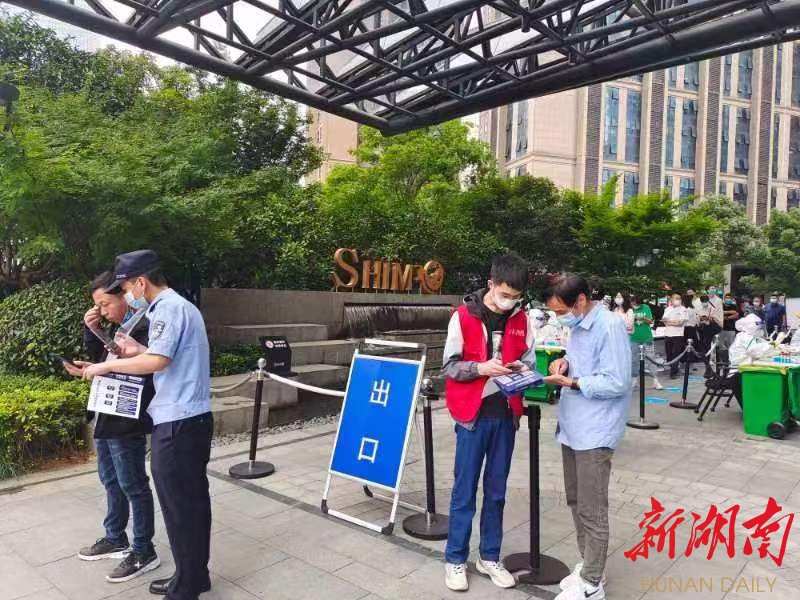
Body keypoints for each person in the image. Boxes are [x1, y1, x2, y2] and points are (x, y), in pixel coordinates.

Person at [81, 250, 212, 600]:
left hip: (179, 422)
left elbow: (159, 361)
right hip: (188, 419)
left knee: (180, 507)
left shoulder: (168, 307)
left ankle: (186, 587)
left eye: (126, 288)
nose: (127, 296)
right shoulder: (179, 307)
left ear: (141, 282)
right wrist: (137, 351)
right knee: (191, 503)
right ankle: (193, 575)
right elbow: (163, 356)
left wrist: (107, 366)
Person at [442, 254, 535, 592]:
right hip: (472, 416)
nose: (509, 301)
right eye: (505, 294)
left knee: (496, 491)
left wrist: (523, 369)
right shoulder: (464, 316)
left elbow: (529, 359)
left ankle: (489, 556)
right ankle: (455, 559)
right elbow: (449, 366)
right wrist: (480, 368)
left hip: (506, 415)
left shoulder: (522, 318)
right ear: (491, 284)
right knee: (464, 490)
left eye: (516, 296)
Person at [65, 272, 159, 583]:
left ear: (125, 295)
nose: (102, 311)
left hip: (127, 417)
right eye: (98, 306)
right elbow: (104, 359)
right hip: (106, 412)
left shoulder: (146, 325)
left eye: (105, 304)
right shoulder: (122, 327)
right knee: (110, 480)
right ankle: (115, 537)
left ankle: (144, 550)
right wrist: (91, 330)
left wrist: (105, 365)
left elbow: (143, 367)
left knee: (133, 484)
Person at [542, 275, 631, 600]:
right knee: (576, 501)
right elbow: (583, 362)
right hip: (573, 427)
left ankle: (592, 584)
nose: (558, 318)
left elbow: (617, 381)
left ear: (580, 300)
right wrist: (565, 363)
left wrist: (574, 383)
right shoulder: (578, 324)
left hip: (595, 431)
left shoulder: (609, 326)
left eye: (560, 311)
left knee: (592, 508)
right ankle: (590, 566)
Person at [629, 295, 663, 390]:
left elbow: (650, 321)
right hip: (633, 338)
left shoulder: (646, 307)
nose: (634, 305)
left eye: (636, 304)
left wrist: (643, 318)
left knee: (651, 359)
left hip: (646, 337)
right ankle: (634, 380)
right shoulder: (629, 309)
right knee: (633, 360)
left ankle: (655, 380)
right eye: (633, 303)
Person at [661, 293, 687, 379]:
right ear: (671, 300)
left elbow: (681, 323)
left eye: (679, 298)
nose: (678, 300)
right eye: (676, 298)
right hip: (668, 335)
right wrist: (674, 322)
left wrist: (670, 322)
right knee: (669, 354)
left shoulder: (683, 309)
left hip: (678, 335)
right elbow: (664, 321)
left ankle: (673, 373)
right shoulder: (667, 309)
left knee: (676, 354)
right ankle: (674, 368)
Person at [682, 293, 699, 365]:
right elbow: (696, 320)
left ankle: (687, 358)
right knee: (693, 343)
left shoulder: (686, 310)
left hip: (687, 328)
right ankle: (692, 358)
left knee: (687, 344)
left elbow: (683, 320)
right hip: (692, 328)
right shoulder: (693, 308)